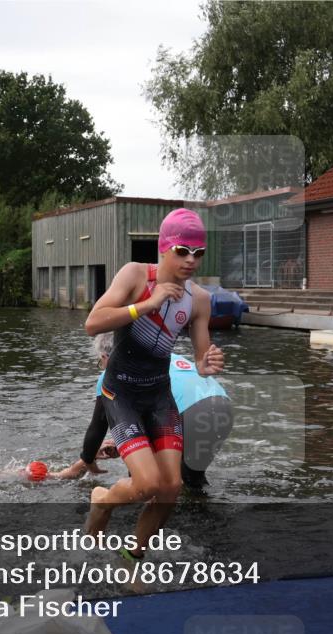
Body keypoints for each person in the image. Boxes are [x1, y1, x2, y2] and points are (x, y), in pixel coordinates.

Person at [82, 208, 225, 560]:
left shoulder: (199, 300)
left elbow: (201, 358)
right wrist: (148, 303)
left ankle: (133, 557)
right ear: (164, 248)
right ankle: (101, 500)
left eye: (199, 253)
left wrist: (208, 365)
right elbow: (93, 323)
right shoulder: (135, 275)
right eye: (182, 251)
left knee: (171, 488)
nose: (191, 260)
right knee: (145, 484)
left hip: (159, 394)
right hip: (122, 393)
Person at [54, 331, 232, 489]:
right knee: (192, 480)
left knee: (142, 480)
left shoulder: (114, 375)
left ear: (106, 356)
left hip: (189, 412)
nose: (101, 367)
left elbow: (97, 427)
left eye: (100, 362)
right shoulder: (163, 357)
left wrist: (87, 461)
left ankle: (123, 516)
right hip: (221, 406)